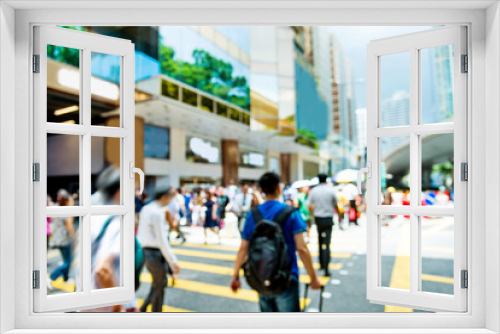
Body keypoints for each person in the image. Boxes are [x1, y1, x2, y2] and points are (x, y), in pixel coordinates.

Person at [230, 172, 321, 312]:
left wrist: (235, 276)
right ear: (279, 188)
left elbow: (243, 248)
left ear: (261, 191)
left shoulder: (252, 215)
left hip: (261, 276)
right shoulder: (291, 213)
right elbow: (302, 248)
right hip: (287, 278)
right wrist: (313, 278)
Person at [137, 185, 180, 312]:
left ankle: (144, 309)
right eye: (171, 197)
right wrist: (173, 261)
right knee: (160, 285)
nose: (171, 200)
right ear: (164, 197)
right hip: (155, 253)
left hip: (145, 252)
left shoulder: (146, 208)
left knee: (157, 284)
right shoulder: (157, 213)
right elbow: (162, 241)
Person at [308, 174, 337, 277]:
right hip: (328, 218)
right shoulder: (331, 190)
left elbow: (309, 205)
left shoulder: (313, 191)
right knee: (327, 244)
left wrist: (313, 215)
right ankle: (326, 268)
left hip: (318, 218)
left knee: (320, 242)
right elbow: (336, 203)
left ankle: (321, 264)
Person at [47, 192, 75, 289]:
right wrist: (74, 238)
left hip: (57, 241)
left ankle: (66, 279)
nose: (72, 202)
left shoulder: (57, 211)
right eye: (71, 200)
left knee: (65, 261)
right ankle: (51, 277)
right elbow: (69, 229)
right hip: (65, 241)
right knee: (68, 262)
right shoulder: (67, 214)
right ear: (67, 201)